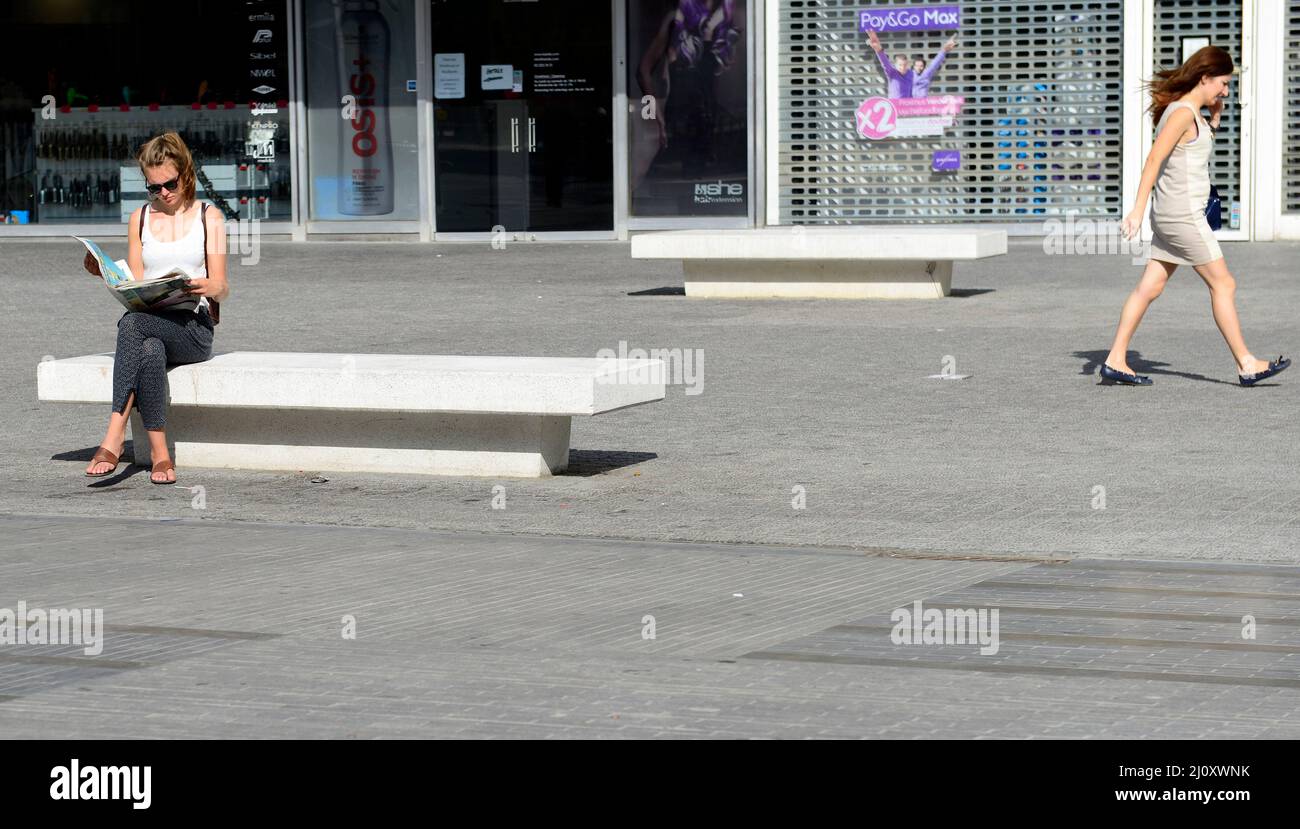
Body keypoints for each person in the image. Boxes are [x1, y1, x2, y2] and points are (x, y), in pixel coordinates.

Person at [1103, 45, 1287, 387]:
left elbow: (1190, 153)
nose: (1226, 91)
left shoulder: (1187, 112)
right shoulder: (1183, 113)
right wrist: (1137, 210)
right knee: (1224, 283)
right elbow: (1154, 161)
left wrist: (1214, 120)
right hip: (1183, 215)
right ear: (1204, 78)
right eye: (1222, 83)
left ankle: (1115, 359)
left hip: (1174, 213)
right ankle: (1247, 363)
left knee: (1150, 285)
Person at [82, 131, 228, 482]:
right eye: (153, 187)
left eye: (170, 184)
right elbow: (134, 281)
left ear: (186, 174)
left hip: (193, 327)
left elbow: (222, 288)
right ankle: (161, 456)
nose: (162, 193)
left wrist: (200, 285)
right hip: (153, 321)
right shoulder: (141, 219)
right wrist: (102, 271)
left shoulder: (210, 218)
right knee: (147, 347)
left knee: (132, 325)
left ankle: (114, 435)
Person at [867, 29, 911, 98]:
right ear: (895, 65)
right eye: (900, 65)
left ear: (907, 64)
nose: (902, 67)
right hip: (894, 106)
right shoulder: (892, 73)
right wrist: (878, 49)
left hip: (906, 107)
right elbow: (884, 62)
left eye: (904, 65)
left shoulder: (911, 74)